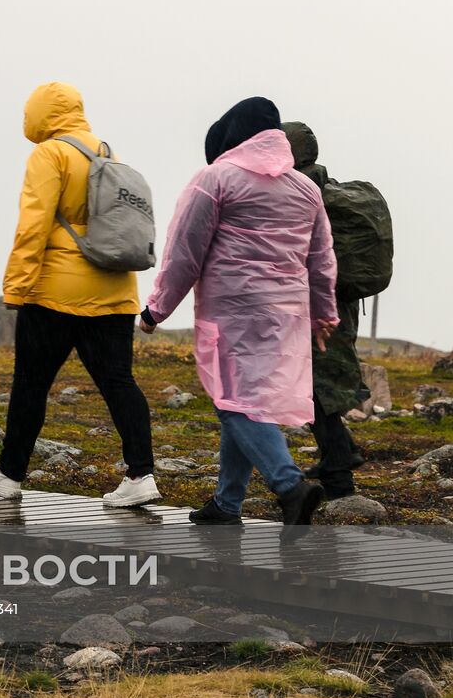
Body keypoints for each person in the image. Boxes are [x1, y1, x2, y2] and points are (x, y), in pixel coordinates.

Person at [141, 98, 337, 526]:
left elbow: (185, 252)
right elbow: (321, 259)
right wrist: (325, 314)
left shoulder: (216, 178)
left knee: (235, 403)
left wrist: (156, 308)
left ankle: (290, 486)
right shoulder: (306, 189)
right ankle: (227, 503)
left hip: (235, 311)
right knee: (248, 401)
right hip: (288, 315)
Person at [0, 82, 160, 507]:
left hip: (56, 291)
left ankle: (9, 473)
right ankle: (141, 474)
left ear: (41, 114)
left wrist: (17, 287)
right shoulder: (107, 152)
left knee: (31, 384)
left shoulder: (49, 153)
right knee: (119, 382)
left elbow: (33, 225)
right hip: (115, 288)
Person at [283, 121, 366, 501]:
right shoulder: (327, 187)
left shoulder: (298, 191)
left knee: (316, 391)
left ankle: (339, 477)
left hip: (315, 304)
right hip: (339, 303)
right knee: (320, 386)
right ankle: (343, 452)